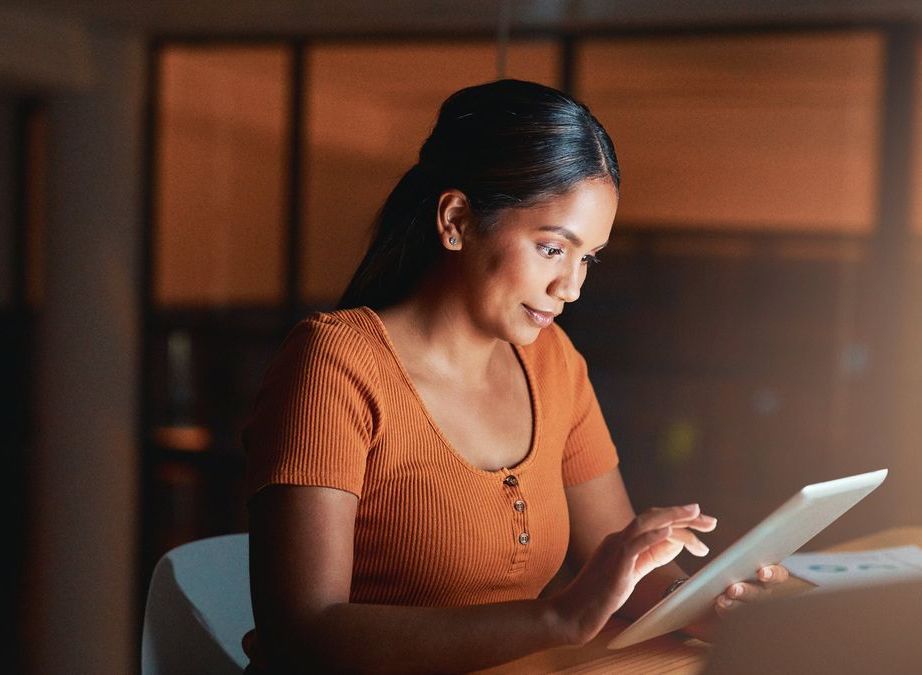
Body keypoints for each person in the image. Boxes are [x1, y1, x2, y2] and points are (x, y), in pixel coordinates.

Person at [241, 79, 787, 674]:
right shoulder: (335, 364)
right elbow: (300, 633)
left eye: (588, 258)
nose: (571, 288)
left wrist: (709, 603)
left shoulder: (554, 362)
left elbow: (622, 574)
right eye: (553, 248)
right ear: (456, 220)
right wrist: (556, 618)